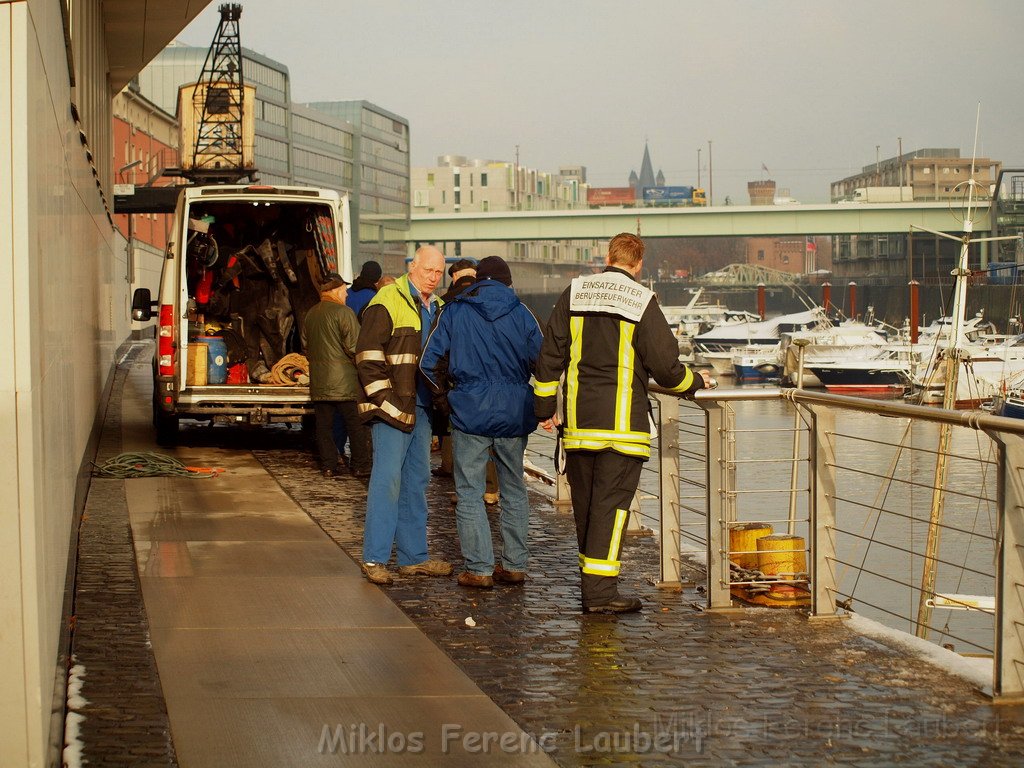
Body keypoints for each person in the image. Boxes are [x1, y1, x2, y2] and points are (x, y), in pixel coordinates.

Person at [534, 233, 709, 614]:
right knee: (611, 510)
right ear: (638, 264)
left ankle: (594, 585)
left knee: (587, 507)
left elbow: (550, 354)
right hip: (622, 429)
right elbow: (666, 368)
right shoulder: (642, 301)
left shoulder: (574, 292)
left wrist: (544, 406)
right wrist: (696, 382)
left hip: (579, 426)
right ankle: (599, 596)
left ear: (608, 257)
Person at [421, 256, 542, 588]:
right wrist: (539, 404)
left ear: (476, 280)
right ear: (508, 282)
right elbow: (545, 365)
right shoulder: (522, 313)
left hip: (469, 411)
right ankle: (515, 565)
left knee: (470, 491)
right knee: (514, 489)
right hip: (515, 412)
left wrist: (445, 401)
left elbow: (428, 364)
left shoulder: (454, 311)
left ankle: (479, 569)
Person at [356, 245, 453, 585]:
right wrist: (386, 402)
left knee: (415, 482)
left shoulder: (438, 307)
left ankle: (413, 558)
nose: (433, 277)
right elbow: (367, 358)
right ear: (412, 267)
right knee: (388, 482)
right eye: (428, 270)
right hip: (392, 408)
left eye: (439, 272)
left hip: (422, 408)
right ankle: (375, 559)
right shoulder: (386, 302)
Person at [304, 273, 372, 478]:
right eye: (344, 290)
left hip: (320, 382)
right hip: (345, 382)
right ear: (335, 290)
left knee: (323, 426)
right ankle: (360, 465)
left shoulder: (311, 314)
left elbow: (306, 346)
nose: (347, 294)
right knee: (356, 425)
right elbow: (355, 346)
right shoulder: (344, 313)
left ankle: (328, 466)